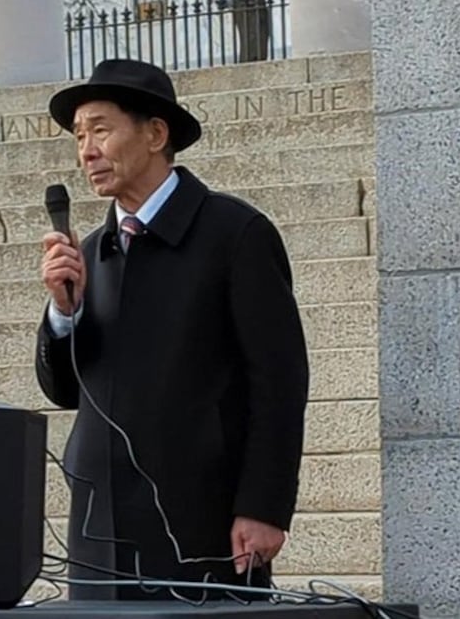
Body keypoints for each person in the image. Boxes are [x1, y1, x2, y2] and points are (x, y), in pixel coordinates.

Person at [35, 58, 308, 601]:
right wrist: (63, 314)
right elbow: (65, 391)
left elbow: (279, 381)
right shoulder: (90, 252)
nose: (86, 150)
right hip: (99, 531)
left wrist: (263, 507)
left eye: (101, 130)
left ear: (156, 133)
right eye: (79, 135)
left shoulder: (235, 234)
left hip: (202, 525)